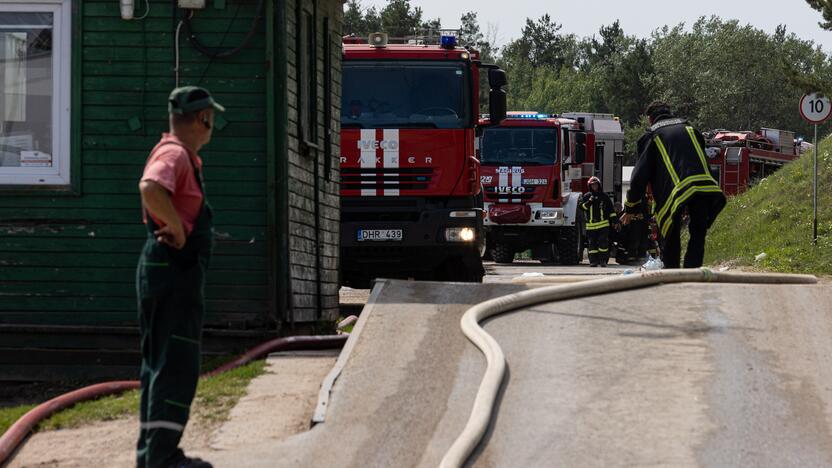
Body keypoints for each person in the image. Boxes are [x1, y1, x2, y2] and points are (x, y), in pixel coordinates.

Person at [136, 86, 224, 468]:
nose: (212, 127)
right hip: (173, 269)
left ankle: (155, 454)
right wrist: (177, 226)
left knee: (163, 362)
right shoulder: (174, 153)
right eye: (211, 119)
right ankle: (162, 459)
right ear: (201, 119)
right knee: (175, 363)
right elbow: (151, 186)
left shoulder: (182, 154)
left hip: (168, 270)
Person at [622, 101, 726, 269]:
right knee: (698, 232)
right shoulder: (691, 129)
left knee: (671, 231)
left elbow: (639, 176)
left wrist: (630, 207)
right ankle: (692, 272)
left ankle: (673, 274)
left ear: (650, 118)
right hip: (706, 187)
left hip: (677, 191)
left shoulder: (653, 136)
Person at [580, 176, 617, 267]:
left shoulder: (604, 196)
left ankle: (603, 261)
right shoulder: (587, 196)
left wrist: (615, 221)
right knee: (592, 245)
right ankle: (593, 261)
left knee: (603, 244)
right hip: (591, 226)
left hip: (603, 225)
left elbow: (611, 210)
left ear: (599, 185)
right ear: (590, 186)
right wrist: (589, 202)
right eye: (592, 185)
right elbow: (582, 207)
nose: (594, 186)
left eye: (596, 184)